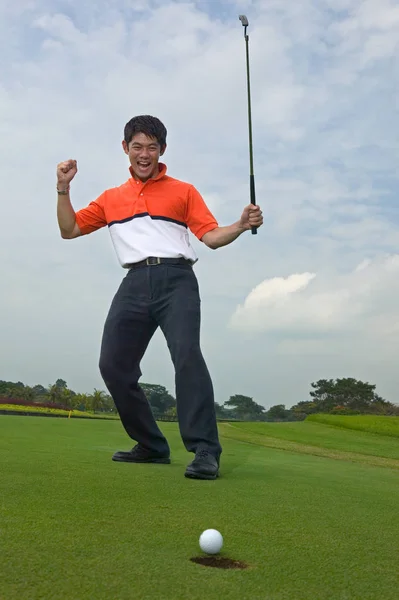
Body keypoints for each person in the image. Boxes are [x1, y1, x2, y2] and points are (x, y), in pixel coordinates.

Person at [56, 115, 263, 480]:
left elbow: (211, 237)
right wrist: (63, 189)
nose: (144, 154)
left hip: (176, 280)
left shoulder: (183, 191)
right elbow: (69, 229)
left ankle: (204, 451)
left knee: (186, 357)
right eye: (137, 146)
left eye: (152, 147)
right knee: (113, 366)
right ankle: (151, 445)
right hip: (134, 282)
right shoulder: (110, 198)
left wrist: (241, 224)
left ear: (162, 150)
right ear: (125, 149)